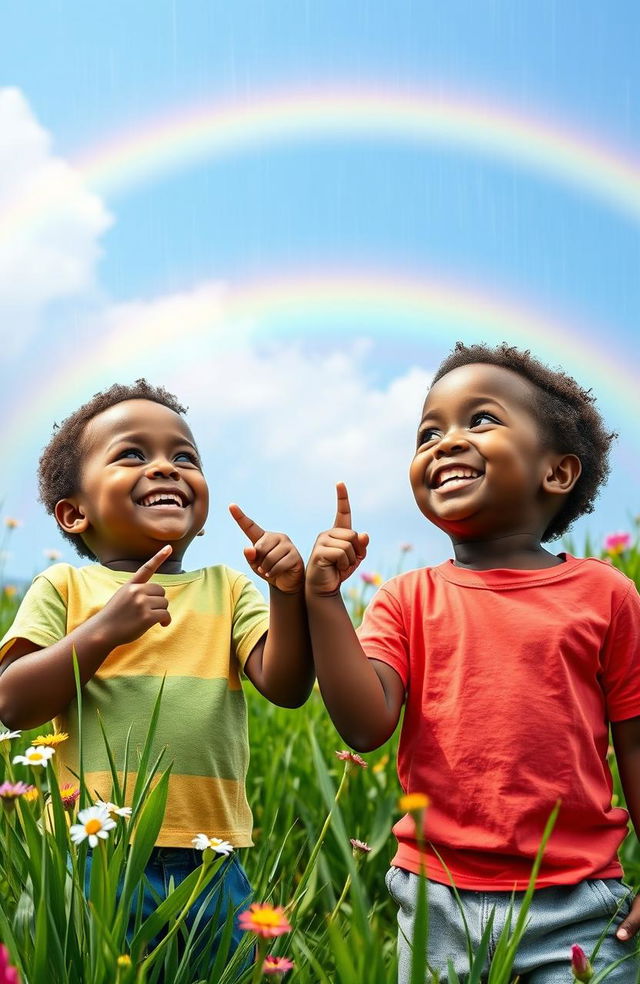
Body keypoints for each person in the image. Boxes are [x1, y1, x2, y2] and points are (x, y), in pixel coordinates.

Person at [305, 342, 640, 982]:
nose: (445, 441)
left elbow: (636, 745)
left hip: (579, 901)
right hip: (437, 902)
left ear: (557, 472)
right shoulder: (405, 597)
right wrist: (324, 600)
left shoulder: (607, 595)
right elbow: (365, 725)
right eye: (429, 431)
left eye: (480, 420)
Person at [0, 379, 313, 967]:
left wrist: (287, 594)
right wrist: (99, 633)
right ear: (74, 513)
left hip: (212, 857)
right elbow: (13, 704)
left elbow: (287, 686)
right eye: (133, 454)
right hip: (94, 853)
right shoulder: (65, 588)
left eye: (184, 457)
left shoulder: (229, 589)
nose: (166, 468)